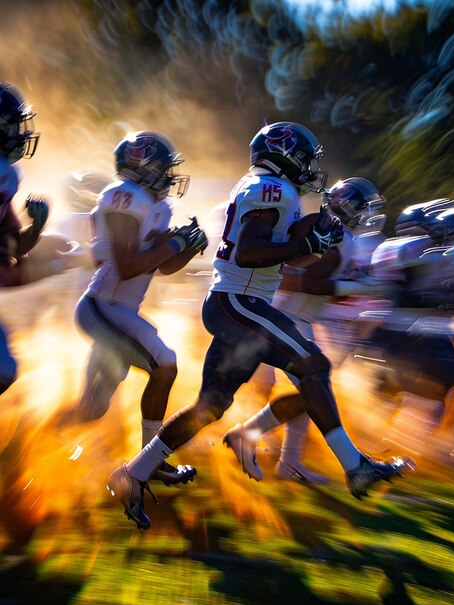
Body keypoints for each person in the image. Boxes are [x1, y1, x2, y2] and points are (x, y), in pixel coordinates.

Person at [107, 121, 414, 529]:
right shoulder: (274, 189)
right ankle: (356, 467)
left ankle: (133, 472)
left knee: (210, 406)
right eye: (304, 157)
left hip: (236, 303)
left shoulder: (268, 189)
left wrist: (310, 242)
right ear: (283, 154)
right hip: (240, 302)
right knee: (314, 365)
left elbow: (274, 254)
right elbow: (251, 252)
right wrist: (305, 245)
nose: (308, 167)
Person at [227, 176, 389, 485]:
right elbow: (310, 283)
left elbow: (307, 278)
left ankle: (275, 453)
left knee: (310, 391)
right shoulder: (335, 233)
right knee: (313, 388)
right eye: (364, 208)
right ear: (351, 207)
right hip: (284, 316)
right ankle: (255, 441)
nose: (368, 215)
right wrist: (359, 286)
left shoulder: (327, 228)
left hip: (287, 315)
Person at [74, 130, 208, 486]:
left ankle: (14, 447)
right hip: (103, 306)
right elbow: (128, 266)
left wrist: (186, 248)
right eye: (164, 168)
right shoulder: (123, 197)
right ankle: (149, 460)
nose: (169, 176)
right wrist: (176, 241)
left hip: (118, 314)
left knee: (90, 410)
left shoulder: (156, 205)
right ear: (142, 167)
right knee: (165, 363)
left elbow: (162, 267)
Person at [0, 81, 86, 394]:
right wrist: (56, 267)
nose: (20, 133)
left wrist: (36, 227)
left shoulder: (6, 174)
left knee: (3, 370)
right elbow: (6, 273)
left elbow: (9, 246)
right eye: (11, 125)